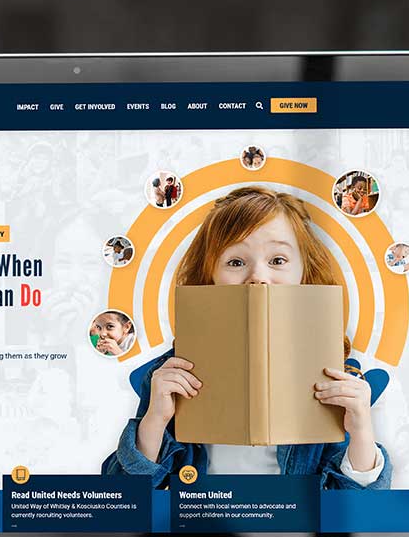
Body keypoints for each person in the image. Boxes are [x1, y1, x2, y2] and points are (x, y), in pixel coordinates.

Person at [102, 187, 388, 490]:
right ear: (208, 276)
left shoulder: (341, 376)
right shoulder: (169, 374)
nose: (258, 277)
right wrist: (154, 422)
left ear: (305, 274)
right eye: (236, 262)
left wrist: (361, 433)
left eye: (278, 260)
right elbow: (122, 499)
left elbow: (358, 515)